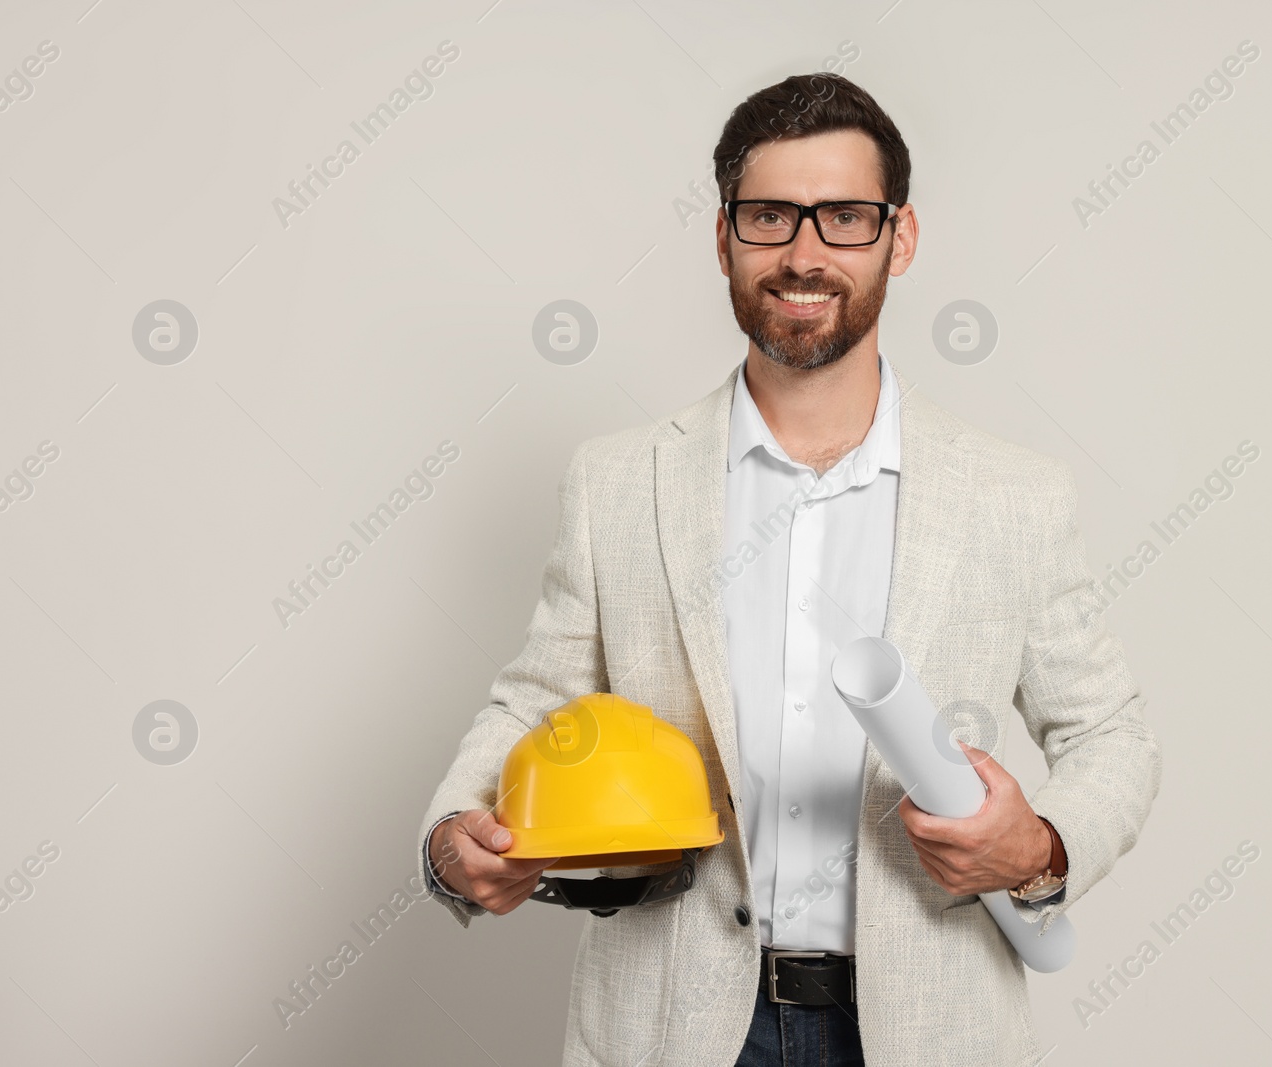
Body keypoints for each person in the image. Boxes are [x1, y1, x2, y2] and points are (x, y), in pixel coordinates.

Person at [417, 72, 1161, 1067]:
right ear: (723, 236)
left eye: (844, 217)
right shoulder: (615, 480)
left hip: (926, 1022)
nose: (804, 253)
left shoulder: (1017, 495)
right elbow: (535, 698)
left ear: (899, 237)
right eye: (770, 215)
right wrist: (451, 832)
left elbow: (1110, 732)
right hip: (671, 1022)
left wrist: (1041, 846)